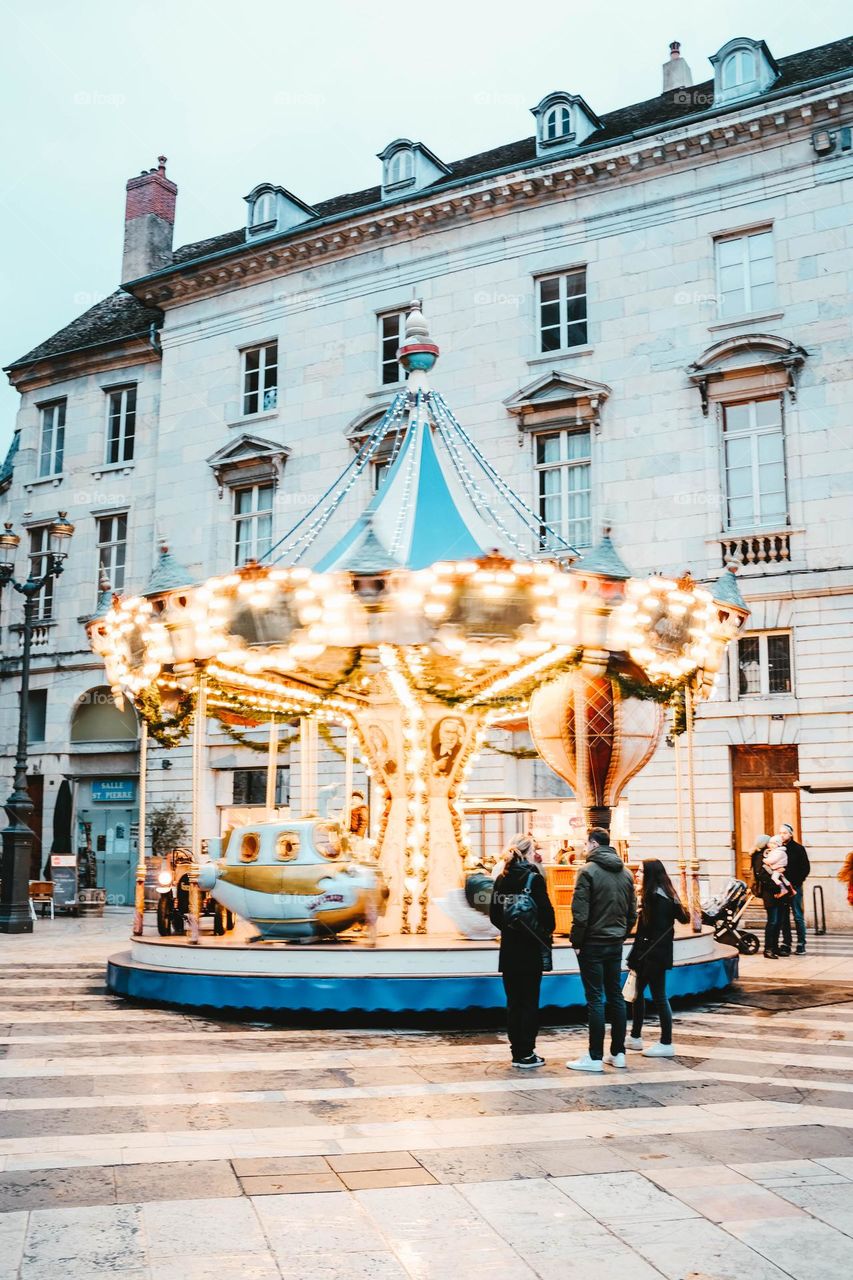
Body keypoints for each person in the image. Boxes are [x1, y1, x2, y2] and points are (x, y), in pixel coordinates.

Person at [567, 827, 637, 1073]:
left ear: (593, 844)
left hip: (592, 943)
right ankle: (618, 1053)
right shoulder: (626, 873)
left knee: (595, 998)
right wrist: (621, 933)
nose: (584, 848)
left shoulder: (587, 872)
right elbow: (632, 913)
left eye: (586, 844)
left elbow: (580, 912)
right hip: (614, 942)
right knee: (615, 996)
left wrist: (576, 941)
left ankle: (594, 1056)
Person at [489, 834, 555, 1069]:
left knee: (514, 1002)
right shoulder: (534, 879)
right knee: (529, 1002)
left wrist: (510, 929)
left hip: (508, 951)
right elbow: (549, 917)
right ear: (528, 853)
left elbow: (495, 916)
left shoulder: (501, 879)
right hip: (531, 951)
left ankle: (516, 1051)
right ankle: (527, 1052)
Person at [626, 860, 690, 1057]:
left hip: (651, 954)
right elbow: (682, 917)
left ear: (651, 874)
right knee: (638, 994)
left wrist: (638, 955)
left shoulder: (655, 898)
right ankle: (635, 1037)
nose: (637, 874)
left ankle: (665, 1042)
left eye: (642, 871)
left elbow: (651, 931)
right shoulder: (664, 894)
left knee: (658, 996)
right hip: (652, 953)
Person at [750, 834, 784, 958]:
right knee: (773, 921)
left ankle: (774, 947)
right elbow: (761, 875)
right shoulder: (759, 856)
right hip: (769, 892)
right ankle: (768, 949)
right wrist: (775, 887)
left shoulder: (768, 854)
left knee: (777, 921)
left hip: (775, 891)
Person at [779, 822, 810, 955]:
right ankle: (786, 943)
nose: (782, 835)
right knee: (784, 917)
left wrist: (796, 883)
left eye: (785, 833)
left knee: (798, 916)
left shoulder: (798, 849)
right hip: (782, 888)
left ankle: (801, 943)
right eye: (780, 833)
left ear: (791, 834)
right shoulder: (778, 849)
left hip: (795, 887)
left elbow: (805, 868)